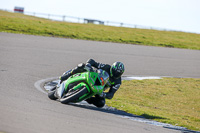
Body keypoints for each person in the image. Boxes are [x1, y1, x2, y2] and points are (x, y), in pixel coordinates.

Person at [59, 59, 125, 108]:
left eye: (118, 73)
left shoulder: (118, 82)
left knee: (101, 103)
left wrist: (104, 94)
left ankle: (87, 98)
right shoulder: (106, 67)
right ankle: (66, 75)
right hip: (92, 77)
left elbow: (111, 94)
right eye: (115, 72)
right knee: (82, 66)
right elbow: (92, 61)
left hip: (98, 89)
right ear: (112, 68)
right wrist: (88, 64)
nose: (116, 74)